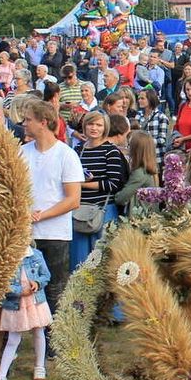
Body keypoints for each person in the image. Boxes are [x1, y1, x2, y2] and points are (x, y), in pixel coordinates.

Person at [20, 100, 83, 316]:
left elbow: (73, 199)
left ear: (43, 122)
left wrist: (41, 216)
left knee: (55, 289)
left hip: (55, 234)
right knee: (25, 287)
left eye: (28, 119)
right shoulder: (22, 152)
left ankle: (55, 344)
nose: (24, 124)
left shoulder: (66, 155)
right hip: (26, 233)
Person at [0, 246, 53, 380]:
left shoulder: (35, 254)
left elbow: (45, 275)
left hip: (35, 301)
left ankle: (40, 366)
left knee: (39, 332)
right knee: (13, 339)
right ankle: (1, 376)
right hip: (16, 304)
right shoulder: (6, 258)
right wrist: (19, 291)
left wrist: (37, 283)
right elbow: (2, 284)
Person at [71, 112, 127, 270]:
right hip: (80, 211)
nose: (94, 128)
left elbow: (114, 183)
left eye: (99, 125)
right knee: (79, 263)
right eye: (91, 124)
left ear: (105, 128)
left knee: (104, 262)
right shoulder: (77, 150)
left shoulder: (112, 152)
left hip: (104, 210)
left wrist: (83, 184)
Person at [114, 131, 159, 217]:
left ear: (135, 149)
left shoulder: (140, 173)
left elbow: (121, 199)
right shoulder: (150, 170)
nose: (127, 148)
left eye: (129, 145)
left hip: (139, 219)